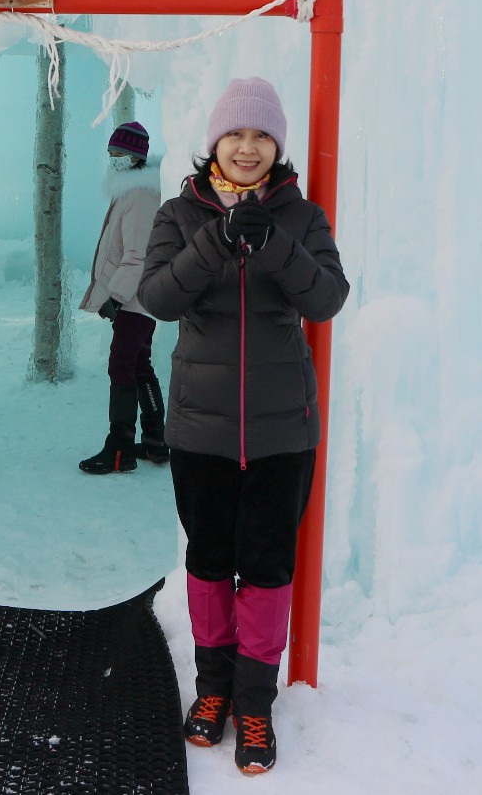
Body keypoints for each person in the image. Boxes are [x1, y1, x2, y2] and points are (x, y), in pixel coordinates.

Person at [138, 77, 349, 777]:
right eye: (237, 134)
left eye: (262, 136)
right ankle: (214, 689)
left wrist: (274, 244)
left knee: (265, 568)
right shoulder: (179, 213)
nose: (249, 147)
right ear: (215, 142)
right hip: (202, 429)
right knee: (207, 561)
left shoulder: (303, 216)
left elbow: (327, 298)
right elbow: (158, 296)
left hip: (283, 432)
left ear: (278, 146)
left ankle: (254, 700)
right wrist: (219, 242)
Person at [76, 120, 168, 474]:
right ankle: (156, 440)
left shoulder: (141, 196)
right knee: (139, 363)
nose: (113, 159)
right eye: (111, 152)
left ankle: (120, 449)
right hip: (134, 296)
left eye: (119, 153)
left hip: (134, 297)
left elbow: (137, 255)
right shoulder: (130, 191)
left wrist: (115, 295)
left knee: (122, 366)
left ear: (135, 157)